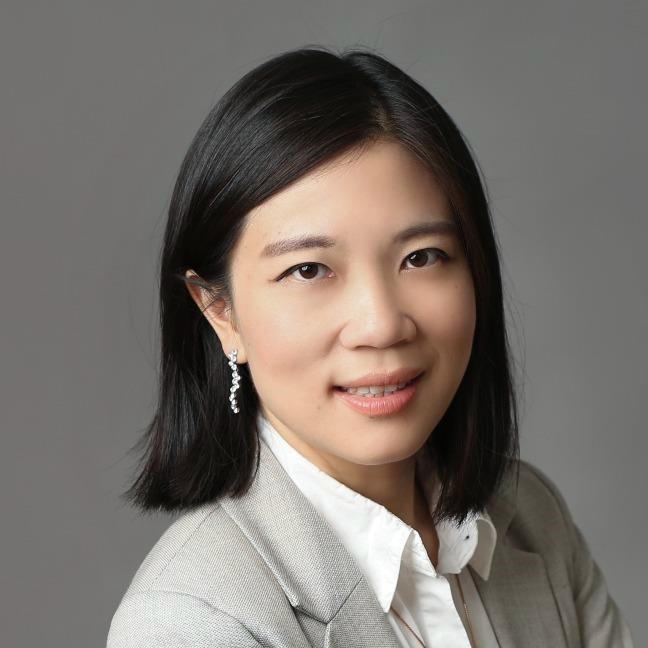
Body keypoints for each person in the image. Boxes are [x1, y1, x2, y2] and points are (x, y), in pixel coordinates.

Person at [106, 46, 634, 647]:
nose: (382, 325)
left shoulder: (531, 520)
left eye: (422, 257)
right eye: (309, 270)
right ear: (219, 312)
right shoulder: (193, 621)